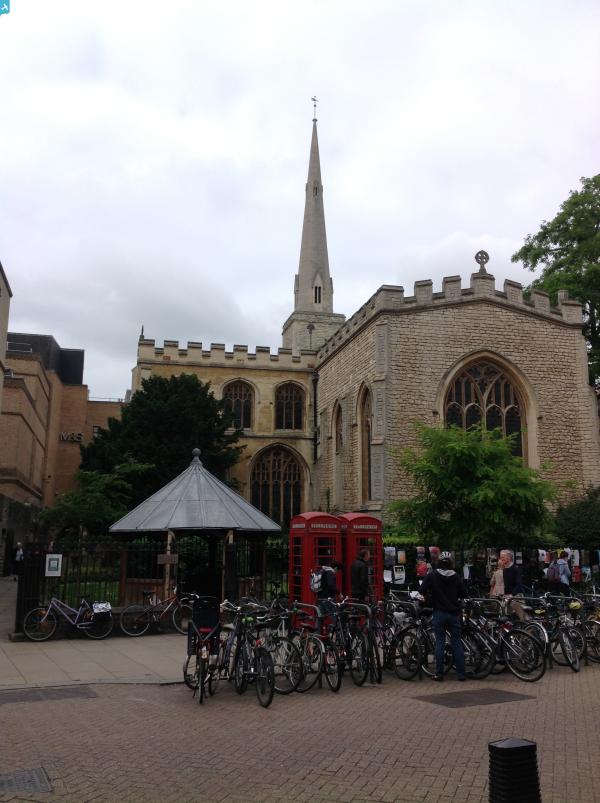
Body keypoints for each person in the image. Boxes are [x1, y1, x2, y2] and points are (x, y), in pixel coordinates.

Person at [419, 552, 466, 682]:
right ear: (451, 562)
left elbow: (421, 591)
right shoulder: (456, 576)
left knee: (440, 642)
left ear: (438, 562)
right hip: (454, 614)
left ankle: (439, 674)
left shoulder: (432, 575)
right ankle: (461, 674)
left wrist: (427, 598)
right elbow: (464, 593)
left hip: (439, 613)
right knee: (456, 643)